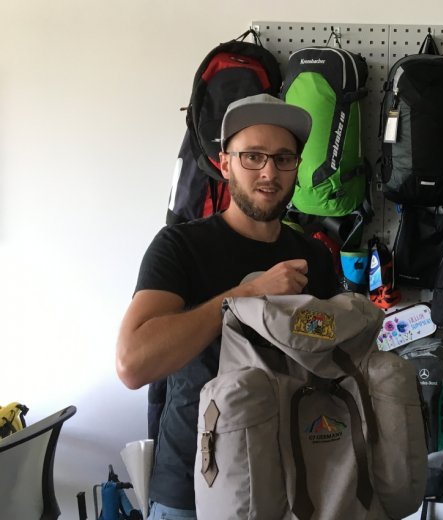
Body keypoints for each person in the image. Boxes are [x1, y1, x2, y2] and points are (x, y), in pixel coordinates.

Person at [116, 93, 339, 520]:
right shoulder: (180, 247)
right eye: (253, 156)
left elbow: (324, 349)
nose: (269, 172)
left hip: (292, 482)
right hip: (194, 487)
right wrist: (248, 295)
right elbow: (133, 363)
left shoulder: (313, 257)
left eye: (283, 158)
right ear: (224, 164)